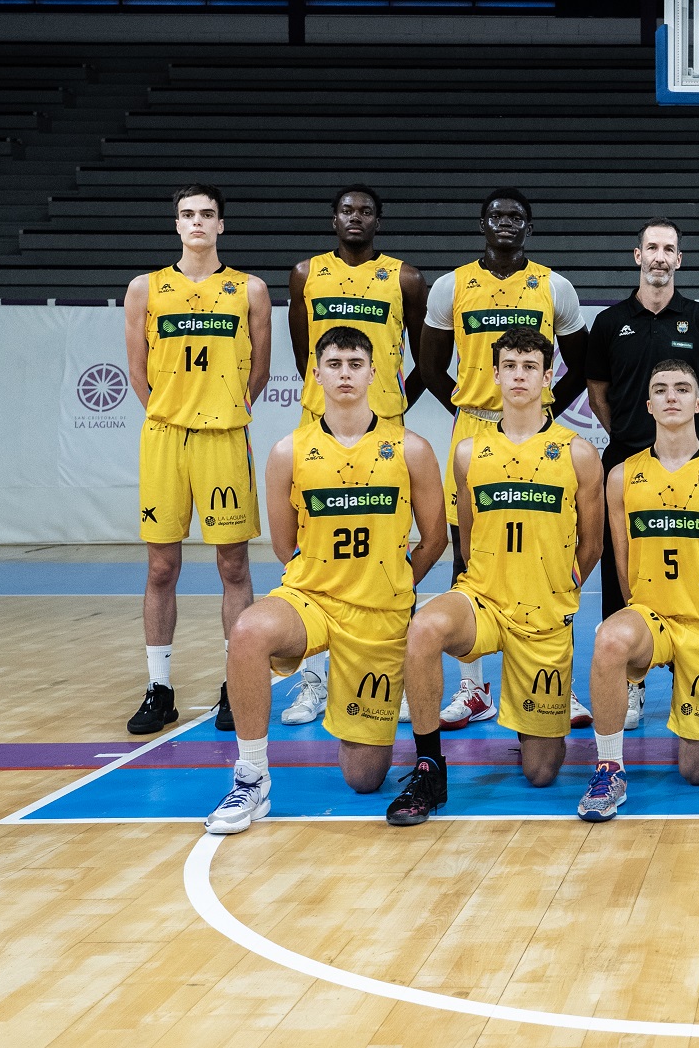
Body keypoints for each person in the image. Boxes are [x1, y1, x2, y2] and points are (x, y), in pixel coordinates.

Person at [203, 326, 448, 834]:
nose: (345, 374)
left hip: (378, 615)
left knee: (363, 778)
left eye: (355, 364)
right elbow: (283, 545)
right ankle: (251, 779)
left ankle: (357, 708)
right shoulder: (287, 452)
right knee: (248, 632)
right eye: (334, 364)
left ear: (374, 373)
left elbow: (435, 539)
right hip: (311, 599)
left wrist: (396, 582)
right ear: (315, 375)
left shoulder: (411, 449)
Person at [385, 329, 604, 824]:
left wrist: (559, 588)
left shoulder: (578, 454)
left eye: (530, 367)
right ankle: (429, 766)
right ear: (496, 375)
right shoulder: (468, 452)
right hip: (482, 598)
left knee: (542, 771)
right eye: (510, 366)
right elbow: (467, 540)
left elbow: (591, 544)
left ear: (547, 378)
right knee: (423, 629)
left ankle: (533, 725)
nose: (519, 375)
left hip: (543, 613)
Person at [419, 188, 589, 731]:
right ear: (482, 224)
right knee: (467, 555)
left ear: (529, 228)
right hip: (475, 428)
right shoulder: (451, 286)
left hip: (538, 430)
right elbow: (428, 365)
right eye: (497, 215)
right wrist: (468, 409)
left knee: (551, 551)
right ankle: (473, 689)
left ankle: (556, 678)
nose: (506, 223)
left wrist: (542, 408)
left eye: (516, 217)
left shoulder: (554, 286)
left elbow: (582, 364)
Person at [123, 183, 271, 737]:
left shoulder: (250, 289)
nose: (198, 222)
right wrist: (171, 413)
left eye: (207, 214)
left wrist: (223, 411)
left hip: (224, 438)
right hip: (165, 438)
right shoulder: (145, 288)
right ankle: (159, 688)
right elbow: (137, 372)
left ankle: (237, 683)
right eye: (187, 214)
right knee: (161, 566)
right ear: (176, 224)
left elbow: (259, 370)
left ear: (221, 225)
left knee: (233, 566)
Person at [578, 360, 699, 821]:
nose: (671, 396)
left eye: (681, 389)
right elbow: (622, 560)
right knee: (609, 637)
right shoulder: (622, 475)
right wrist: (636, 611)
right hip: (651, 616)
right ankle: (609, 769)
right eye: (660, 389)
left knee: (696, 770)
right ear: (649, 405)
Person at [280, 184, 428, 727]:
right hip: (320, 425)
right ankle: (314, 681)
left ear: (378, 221)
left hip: (384, 424)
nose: (356, 217)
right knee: (313, 547)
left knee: (392, 550)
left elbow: (422, 353)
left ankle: (397, 675)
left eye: (366, 211)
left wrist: (391, 400)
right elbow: (305, 352)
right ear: (333, 218)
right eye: (347, 209)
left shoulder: (404, 278)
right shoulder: (305, 274)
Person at [585, 218, 699, 731]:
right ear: (638, 255)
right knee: (621, 568)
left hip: (689, 464)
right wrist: (634, 437)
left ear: (679, 260)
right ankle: (632, 682)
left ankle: (695, 667)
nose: (660, 257)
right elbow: (598, 392)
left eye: (669, 249)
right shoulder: (610, 322)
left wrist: (680, 434)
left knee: (694, 564)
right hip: (627, 460)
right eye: (652, 247)